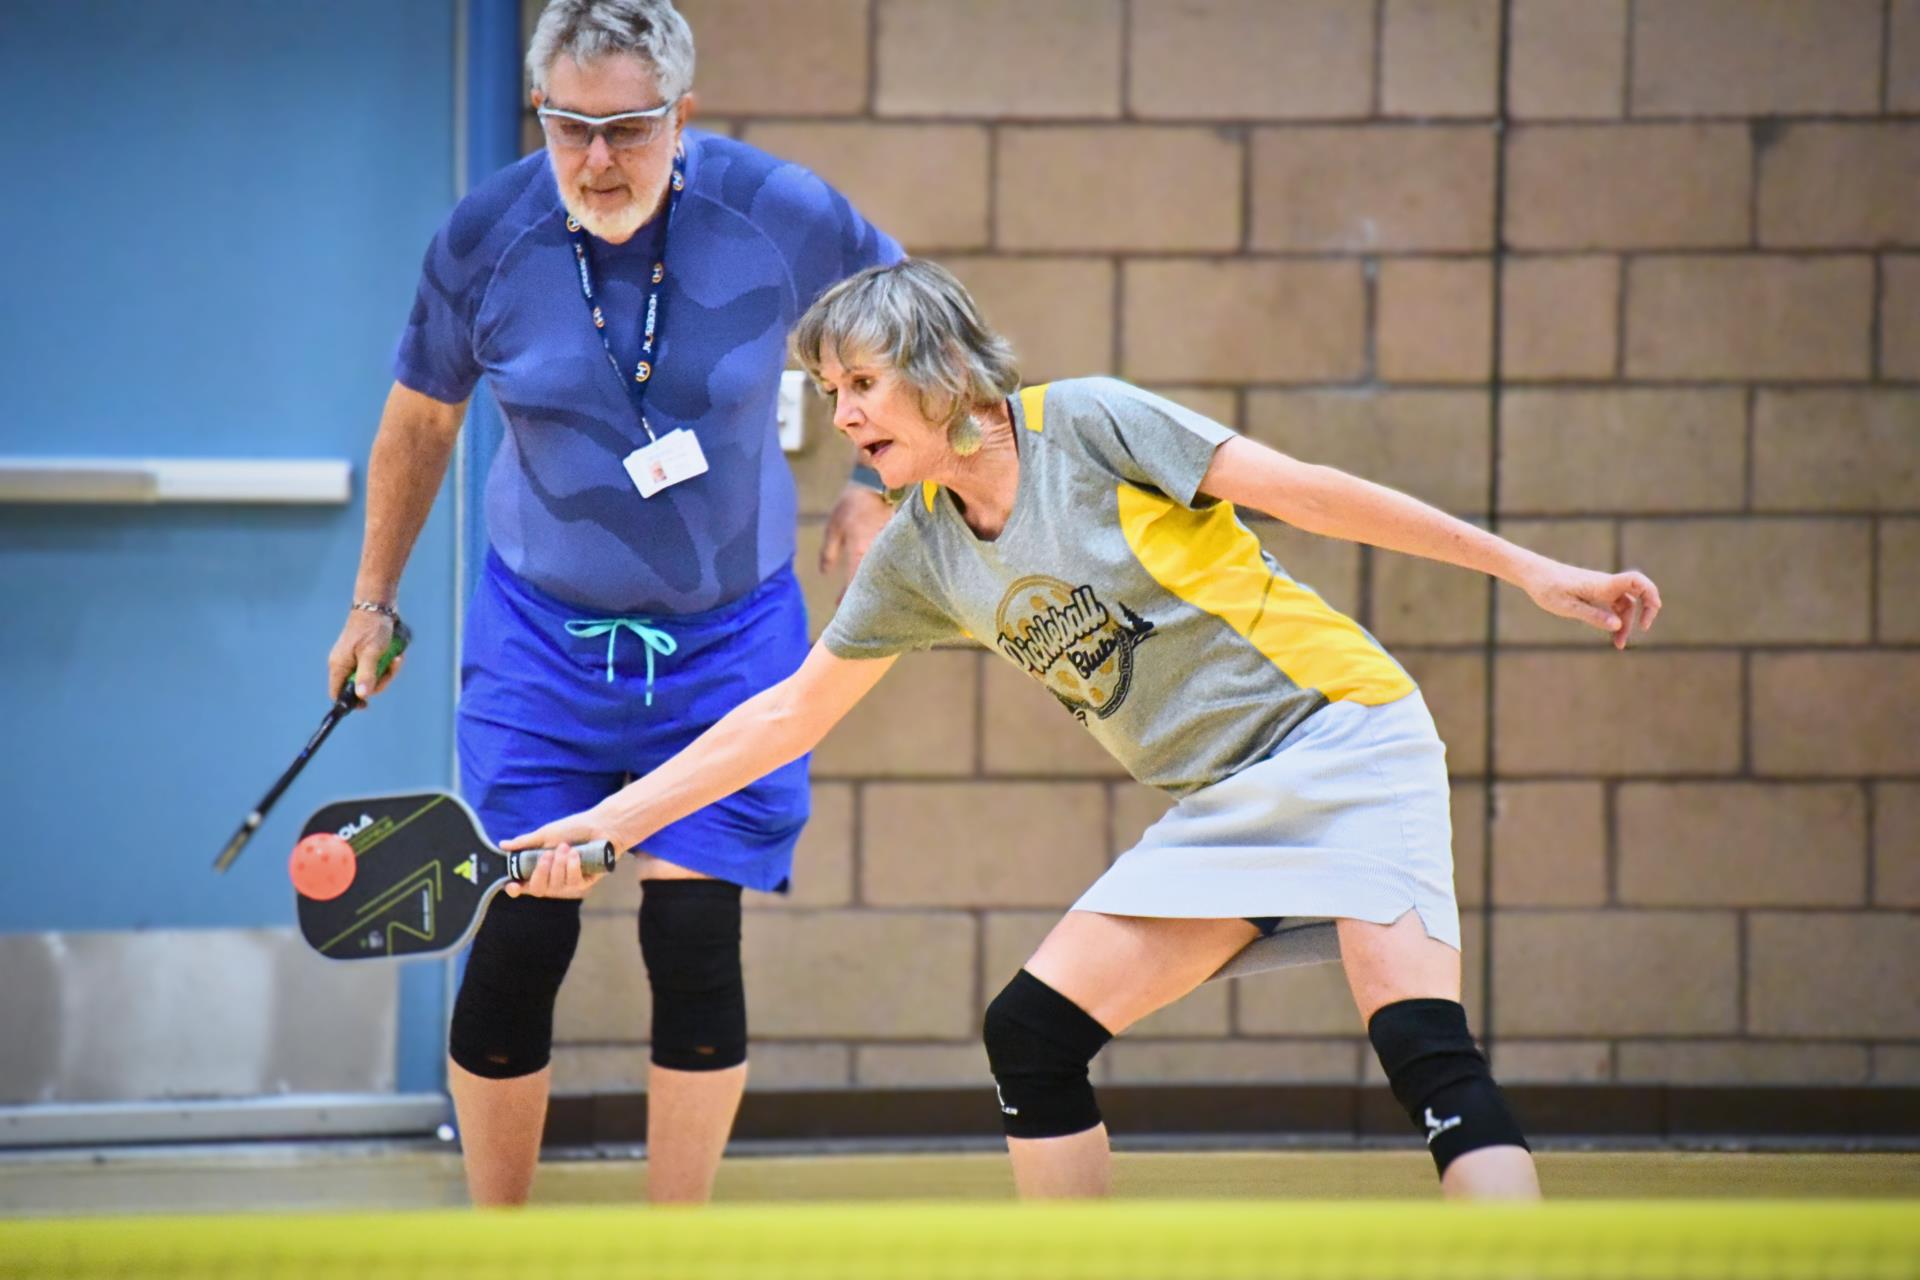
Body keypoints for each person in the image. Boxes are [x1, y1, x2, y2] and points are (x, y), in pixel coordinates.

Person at [501, 259, 1663, 1201]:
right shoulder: (921, 548)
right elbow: (788, 711)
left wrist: (1527, 568)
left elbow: (1307, 487)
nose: (843, 415)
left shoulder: (1092, 424)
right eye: (831, 388)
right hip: (1217, 802)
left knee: (1424, 1051)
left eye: (859, 382)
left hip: (1347, 737)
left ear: (941, 369)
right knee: (1033, 1031)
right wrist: (605, 826)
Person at [325, 0, 901, 1207]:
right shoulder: (486, 236)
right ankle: (499, 1229)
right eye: (569, 127)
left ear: (683, 116)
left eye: (629, 129)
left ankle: (671, 1238)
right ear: (540, 115)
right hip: (540, 643)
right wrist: (372, 600)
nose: (596, 160)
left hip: (730, 645)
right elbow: (421, 419)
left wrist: (872, 479)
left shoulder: (778, 210)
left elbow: (909, 316)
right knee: (522, 929)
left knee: (692, 938)